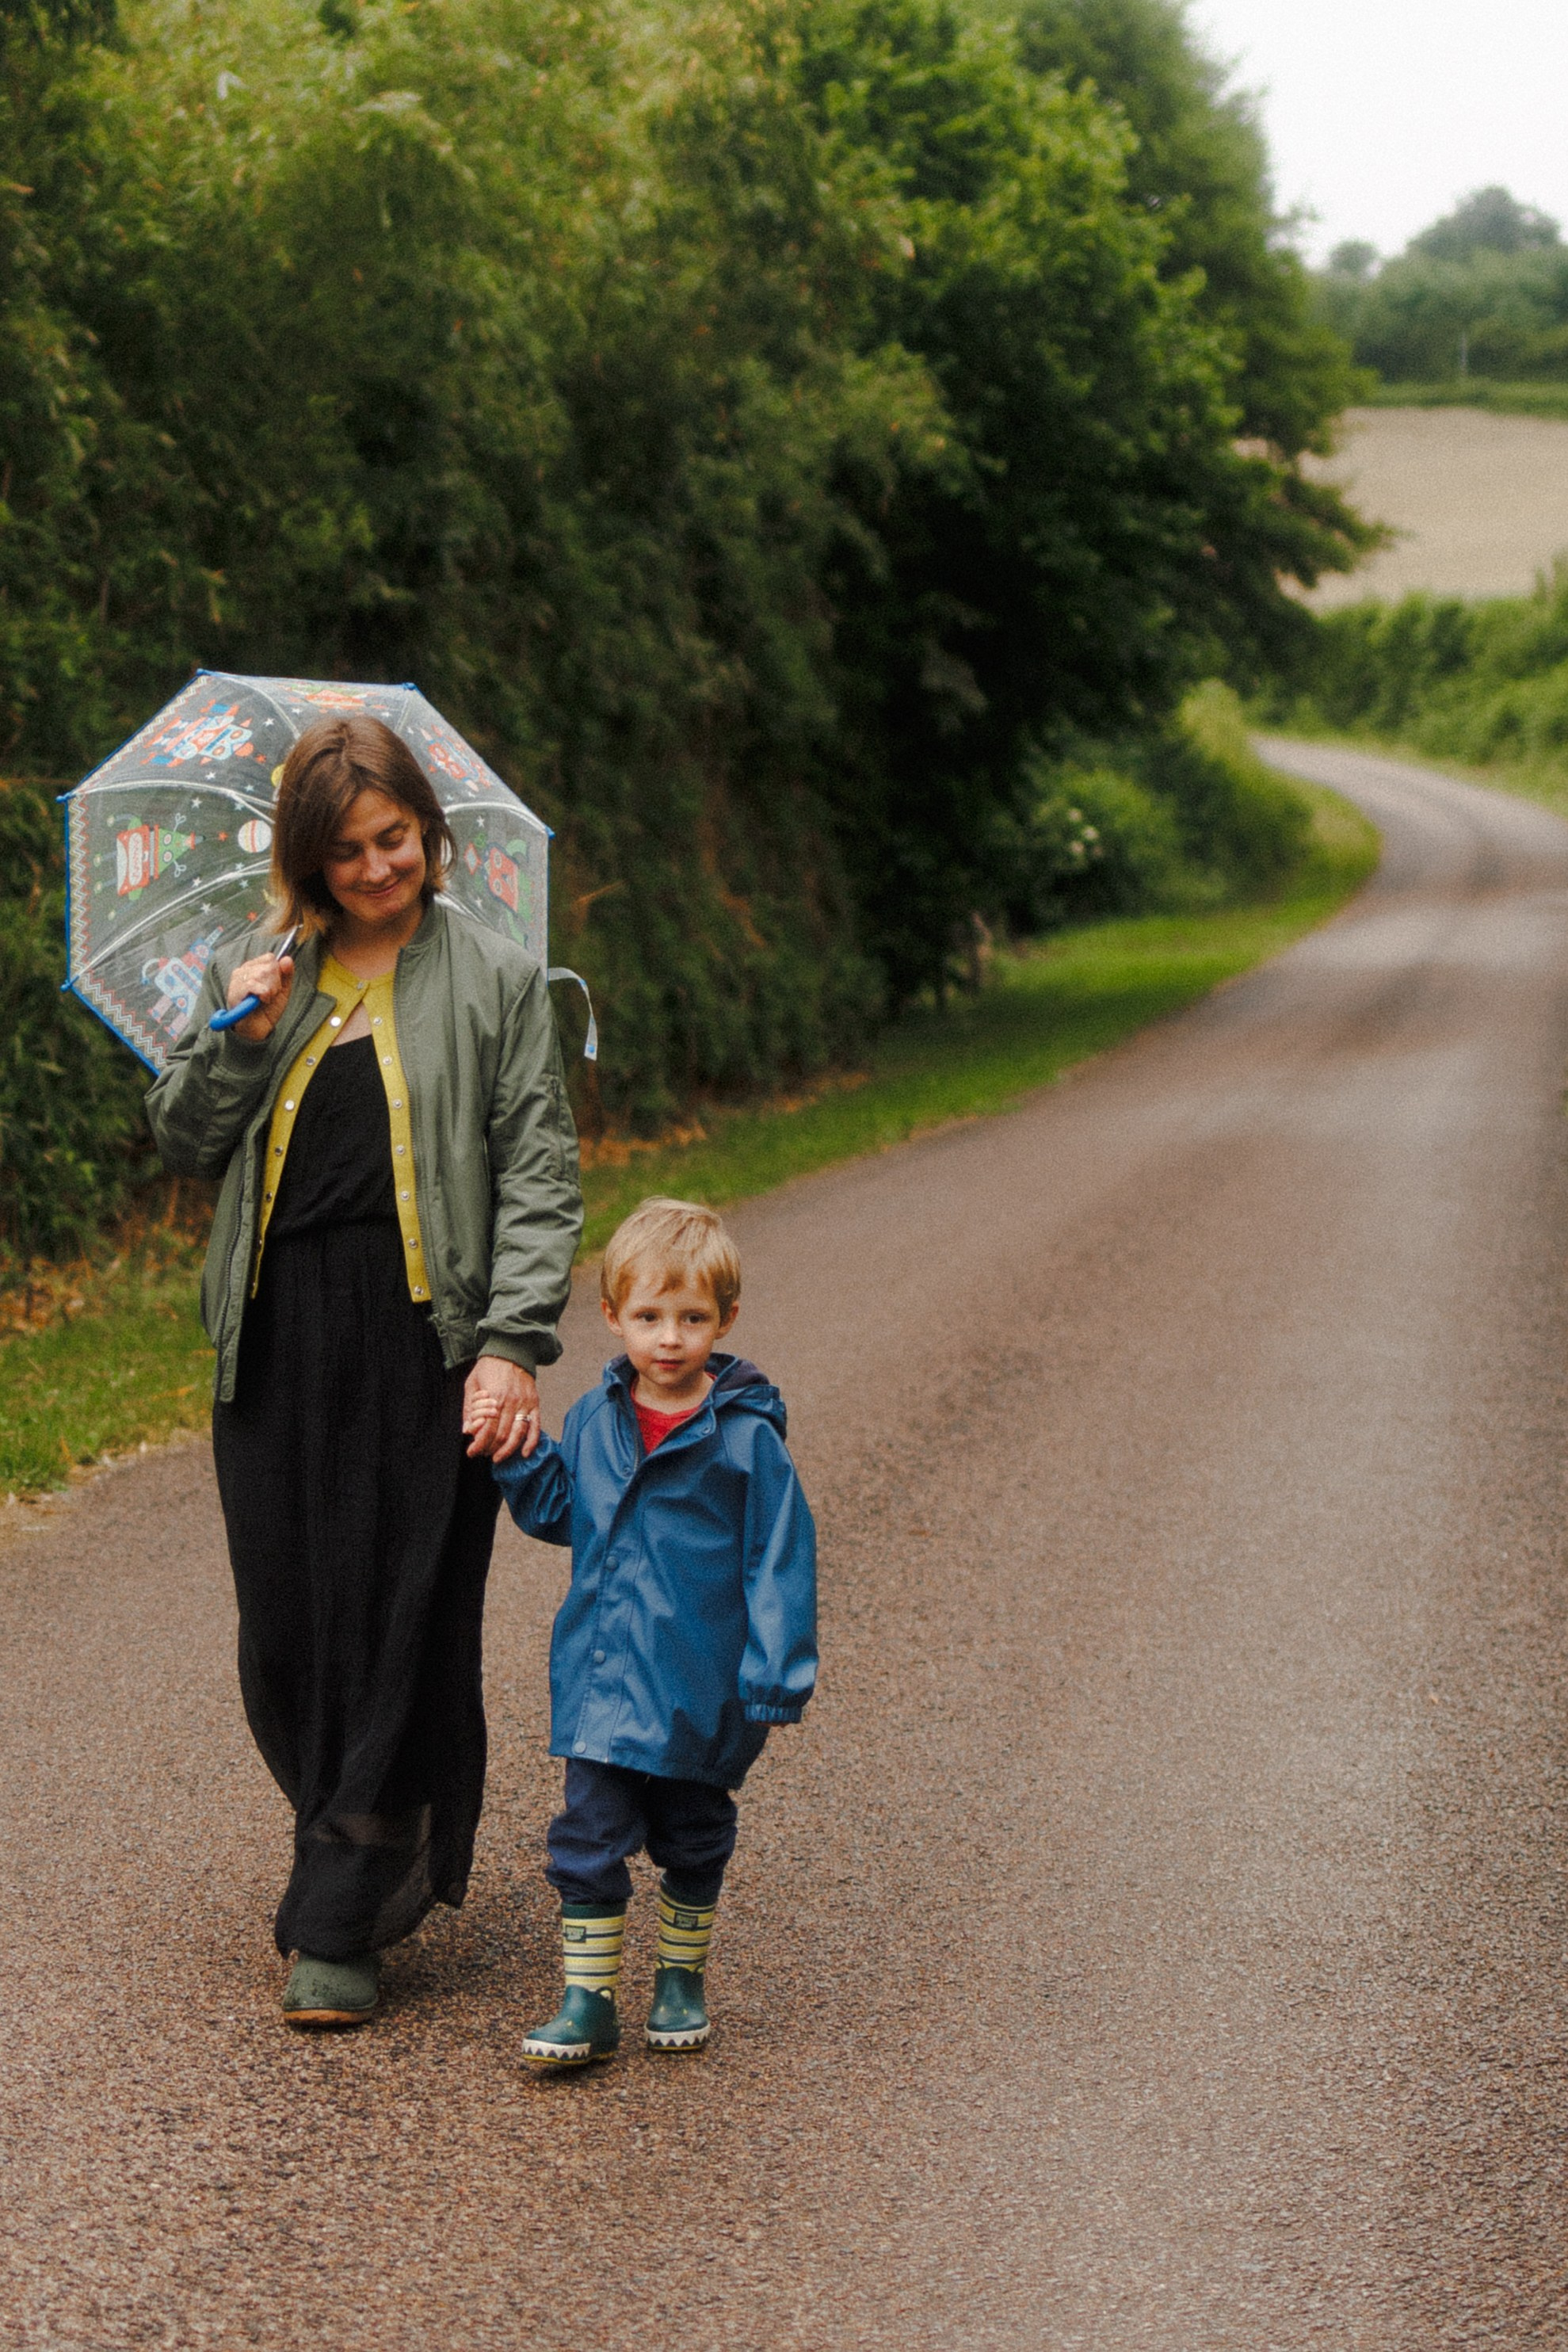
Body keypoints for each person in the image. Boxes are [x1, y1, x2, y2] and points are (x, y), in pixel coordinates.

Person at [146, 714, 582, 2028]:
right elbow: (182, 1140)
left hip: (422, 1339)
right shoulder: (258, 968)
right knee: (289, 1621)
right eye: (346, 851)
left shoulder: (497, 978)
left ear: (428, 830)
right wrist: (239, 1036)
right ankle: (350, 1828)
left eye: (394, 838)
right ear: (308, 859)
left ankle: (339, 1910)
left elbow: (538, 1175)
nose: (378, 867)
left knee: (401, 1611)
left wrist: (509, 1346)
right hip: (278, 1334)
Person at [490, 1196, 816, 2066]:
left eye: (691, 1318)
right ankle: (587, 2001)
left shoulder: (745, 1440)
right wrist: (519, 1455)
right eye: (648, 1317)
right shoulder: (595, 1419)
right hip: (600, 1678)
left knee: (692, 1833)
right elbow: (564, 1513)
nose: (668, 1338)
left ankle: (678, 1980)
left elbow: (780, 1557)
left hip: (698, 1685)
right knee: (586, 1837)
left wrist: (775, 1672)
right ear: (612, 1316)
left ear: (725, 1320)